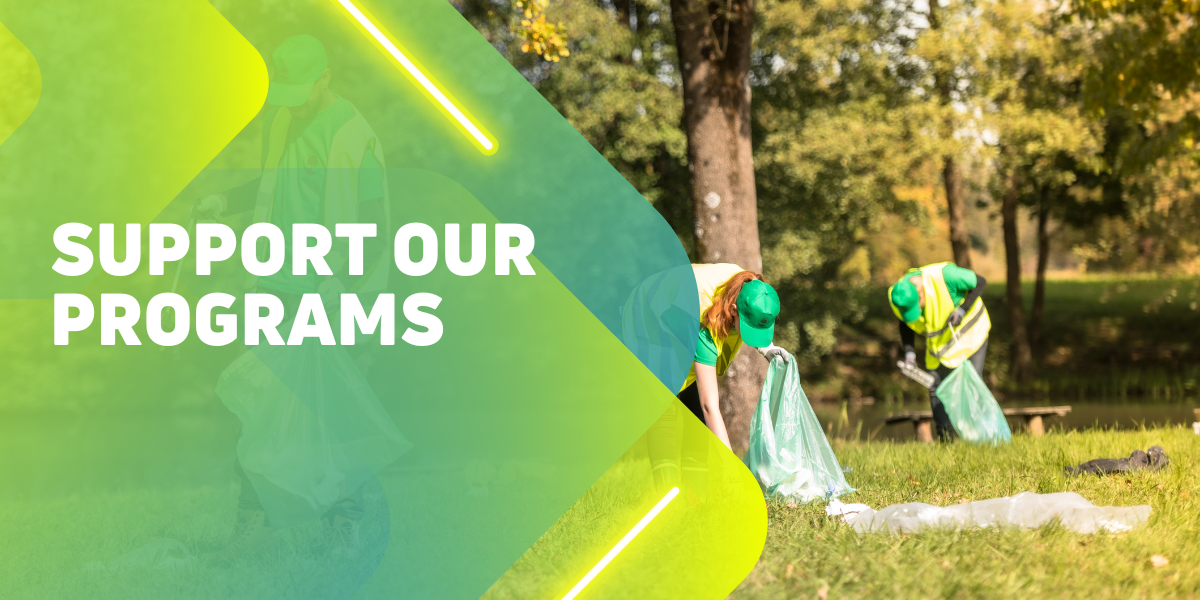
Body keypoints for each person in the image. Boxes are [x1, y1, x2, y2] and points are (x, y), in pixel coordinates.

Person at [195, 34, 403, 564]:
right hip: (273, 287)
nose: (290, 101)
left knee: (328, 414)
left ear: (326, 79)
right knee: (257, 411)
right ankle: (253, 531)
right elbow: (271, 185)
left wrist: (341, 277)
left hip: (333, 295)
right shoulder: (281, 119)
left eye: (299, 91)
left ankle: (344, 531)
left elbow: (378, 223)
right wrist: (225, 200)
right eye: (281, 91)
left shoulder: (354, 136)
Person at [888, 262, 991, 441]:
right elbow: (906, 323)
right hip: (939, 347)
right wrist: (910, 354)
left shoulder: (946, 276)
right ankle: (946, 442)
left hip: (971, 336)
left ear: (920, 292)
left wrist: (961, 309)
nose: (918, 312)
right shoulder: (897, 295)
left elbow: (980, 281)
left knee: (972, 388)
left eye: (917, 307)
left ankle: (983, 439)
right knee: (935, 390)